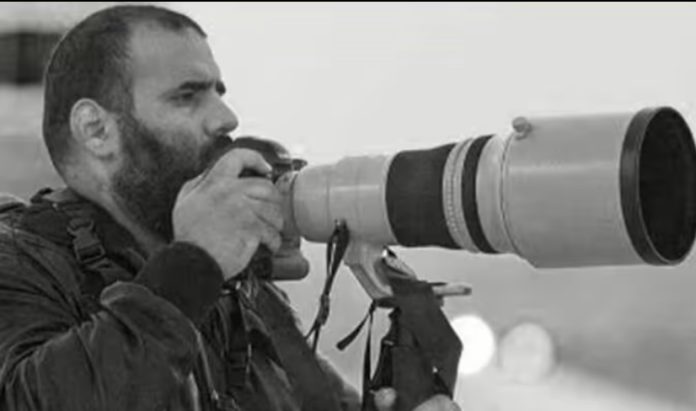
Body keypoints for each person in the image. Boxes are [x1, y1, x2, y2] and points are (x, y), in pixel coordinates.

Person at [0, 5, 460, 411]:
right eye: (188, 95)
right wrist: (192, 263)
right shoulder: (20, 262)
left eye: (219, 91)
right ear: (96, 130)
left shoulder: (237, 292)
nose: (226, 117)